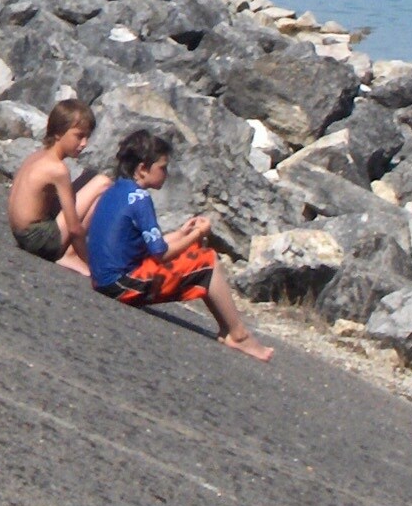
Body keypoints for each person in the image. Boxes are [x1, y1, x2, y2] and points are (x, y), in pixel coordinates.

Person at [83, 129, 271, 360]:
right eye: (162, 167)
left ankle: (229, 329)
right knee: (208, 261)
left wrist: (183, 233)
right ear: (142, 169)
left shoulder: (118, 189)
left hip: (102, 278)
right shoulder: (140, 200)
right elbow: (161, 255)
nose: (166, 173)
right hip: (121, 284)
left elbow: (153, 245)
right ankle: (238, 335)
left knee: (194, 255)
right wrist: (198, 234)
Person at [7, 95, 97, 273]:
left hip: (20, 234)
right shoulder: (58, 169)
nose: (84, 144)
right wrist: (89, 261)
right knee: (101, 183)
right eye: (79, 136)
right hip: (38, 240)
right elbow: (73, 227)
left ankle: (69, 252)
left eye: (87, 137)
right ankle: (70, 255)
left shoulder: (36, 156)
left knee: (89, 179)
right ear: (58, 133)